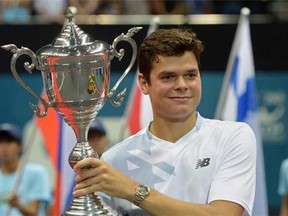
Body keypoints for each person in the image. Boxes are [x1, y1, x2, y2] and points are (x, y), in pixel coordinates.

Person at [72, 28, 257, 216]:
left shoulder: (231, 137)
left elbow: (224, 214)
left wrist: (132, 190)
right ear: (144, 83)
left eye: (190, 75)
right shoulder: (114, 160)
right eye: (168, 77)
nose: (182, 85)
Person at [0, 123, 52, 216]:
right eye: (1, 142)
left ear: (20, 146)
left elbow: (34, 212)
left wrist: (18, 205)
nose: (4, 147)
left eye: (9, 142)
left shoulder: (37, 173)